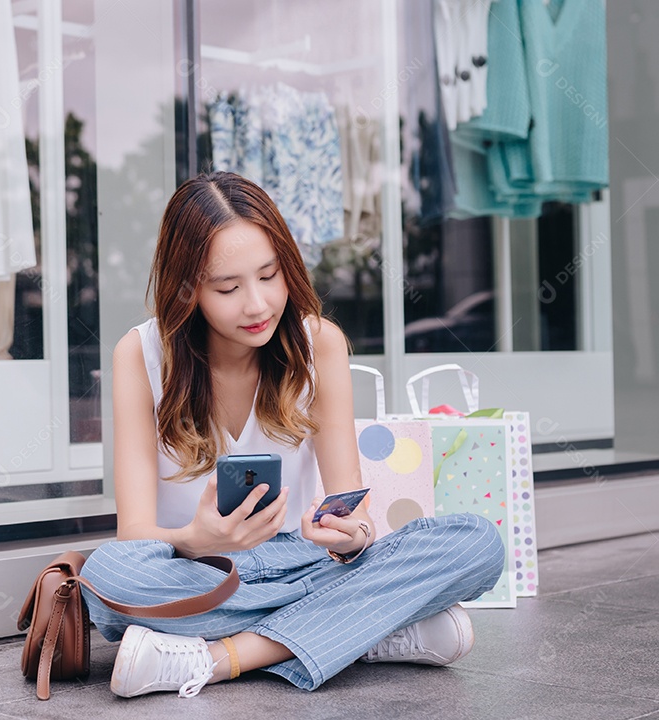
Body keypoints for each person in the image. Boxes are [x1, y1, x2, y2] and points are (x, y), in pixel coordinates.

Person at [80, 172, 504, 699]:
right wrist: (196, 539)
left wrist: (351, 539)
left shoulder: (319, 344)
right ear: (187, 287)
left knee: (477, 543)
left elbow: (355, 513)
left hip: (303, 559)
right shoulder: (140, 356)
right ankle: (368, 629)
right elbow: (136, 535)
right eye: (228, 288)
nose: (257, 305)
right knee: (110, 580)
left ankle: (215, 658)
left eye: (269, 275)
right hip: (200, 572)